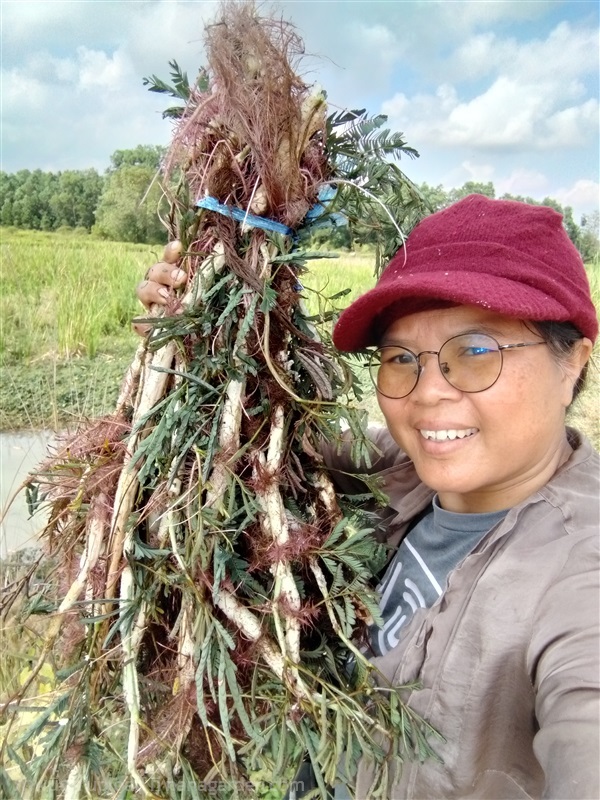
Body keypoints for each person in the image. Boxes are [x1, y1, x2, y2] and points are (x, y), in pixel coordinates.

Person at [136, 194, 599, 799]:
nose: (429, 392)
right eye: (400, 358)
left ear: (573, 362)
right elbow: (251, 439)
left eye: (475, 352)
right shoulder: (398, 469)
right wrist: (182, 346)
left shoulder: (578, 573)